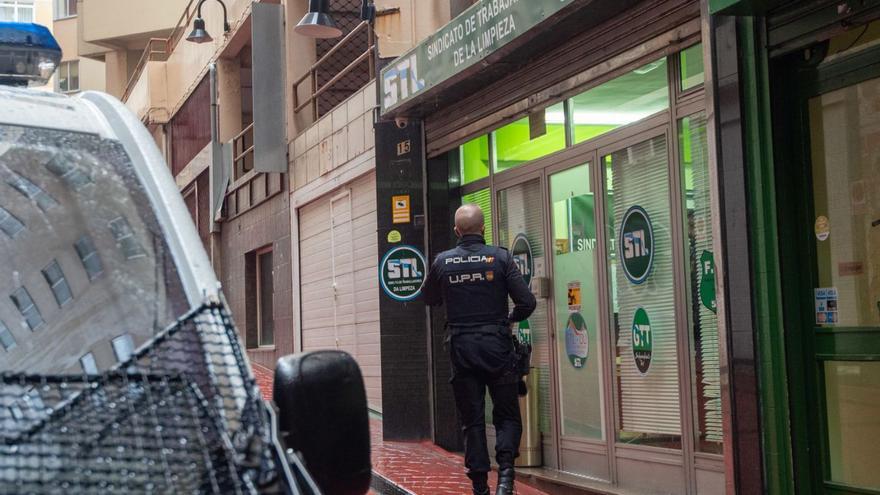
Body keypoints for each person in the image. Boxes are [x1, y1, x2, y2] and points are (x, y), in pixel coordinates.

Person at [422, 204, 537, 495]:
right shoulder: (500, 258)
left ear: (456, 231)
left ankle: (479, 486)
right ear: (483, 228)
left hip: (461, 350)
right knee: (507, 414)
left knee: (471, 419)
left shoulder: (442, 262)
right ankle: (506, 479)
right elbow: (527, 302)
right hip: (497, 347)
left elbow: (429, 297)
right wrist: (508, 320)